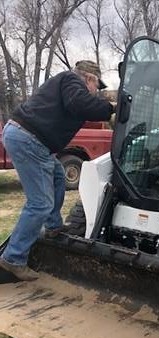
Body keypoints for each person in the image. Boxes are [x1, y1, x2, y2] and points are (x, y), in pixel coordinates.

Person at [0, 60, 115, 281]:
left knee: (58, 177)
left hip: (31, 140)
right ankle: (13, 258)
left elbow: (77, 106)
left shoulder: (65, 85)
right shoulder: (71, 80)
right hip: (29, 139)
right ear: (89, 79)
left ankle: (53, 226)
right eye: (96, 86)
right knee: (40, 203)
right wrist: (110, 109)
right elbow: (80, 104)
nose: (96, 92)